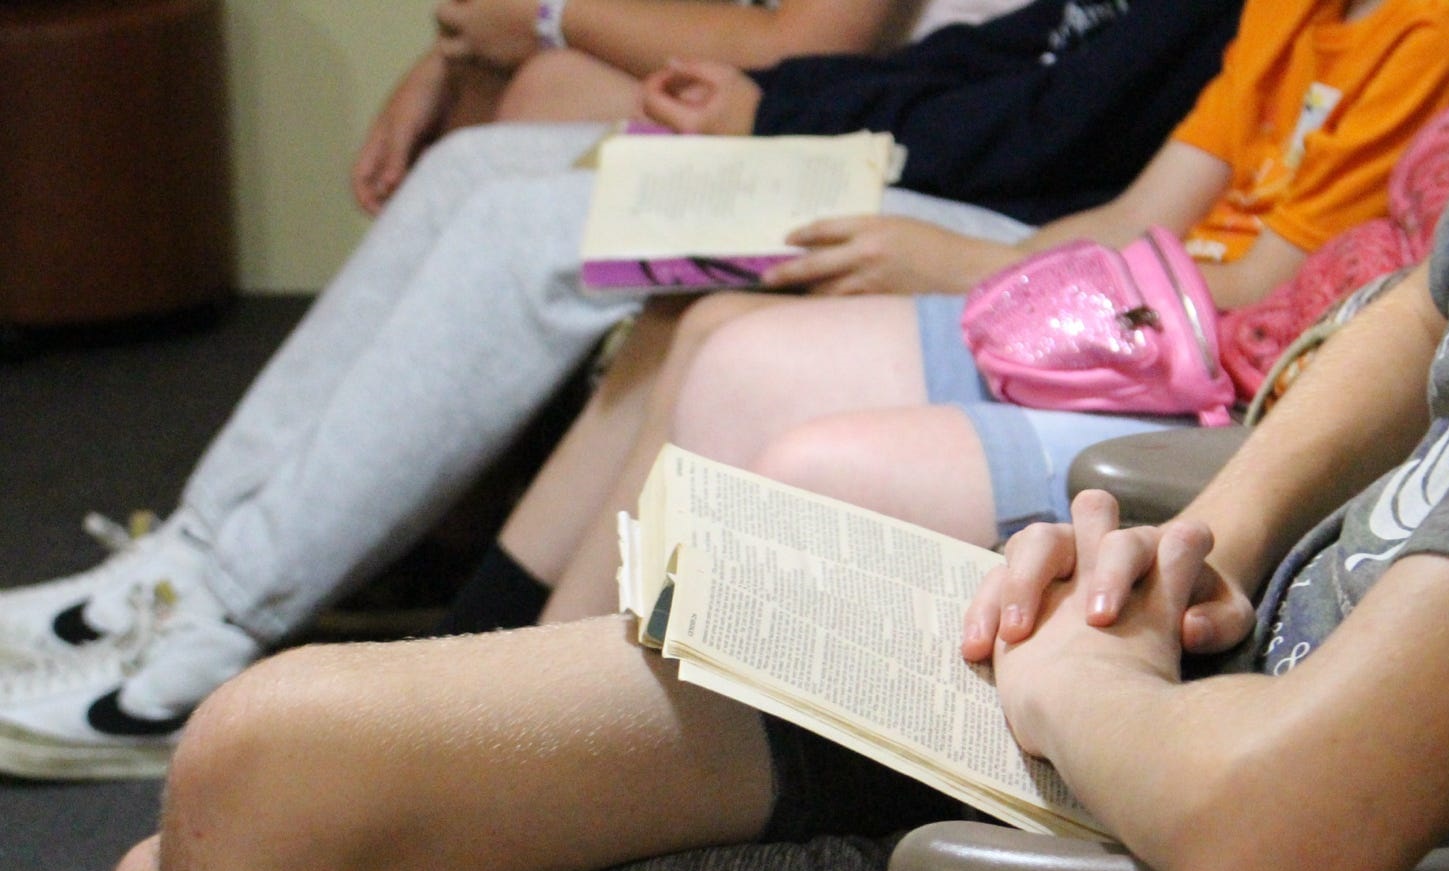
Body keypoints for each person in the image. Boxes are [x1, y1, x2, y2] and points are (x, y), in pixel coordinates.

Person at [91, 0, 1449, 871]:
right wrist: (1227, 520)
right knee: (223, 819)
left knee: (239, 865)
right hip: (1186, 715)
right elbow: (1433, 286)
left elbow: (1292, 837)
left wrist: (1073, 692)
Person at [0, 0, 1241, 780]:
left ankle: (224, 614)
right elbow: (996, 63)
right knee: (483, 170)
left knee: (539, 239)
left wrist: (769, 105)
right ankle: (196, 559)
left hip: (1023, 232)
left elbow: (1061, 135)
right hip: (959, 174)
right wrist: (770, 109)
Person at [441, 0, 1449, 628]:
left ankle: (575, 707)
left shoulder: (1446, 33)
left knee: (769, 414)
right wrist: (984, 268)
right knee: (716, 335)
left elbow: (1246, 292)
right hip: (1134, 308)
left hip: (1188, 357)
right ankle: (514, 654)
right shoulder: (1294, 9)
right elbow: (1142, 211)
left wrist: (955, 262)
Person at [353, 0, 990, 215]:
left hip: (919, 123)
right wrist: (446, 58)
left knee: (550, 87)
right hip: (806, 90)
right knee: (491, 70)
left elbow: (802, 48)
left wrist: (547, 18)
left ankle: (453, 494)